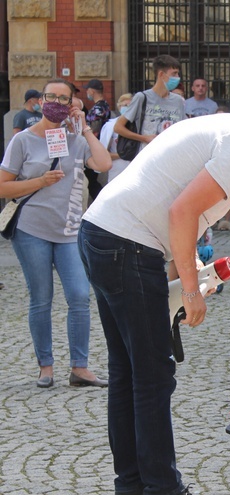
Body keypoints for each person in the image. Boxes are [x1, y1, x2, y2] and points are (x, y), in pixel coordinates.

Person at [78, 98, 230, 495]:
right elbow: (182, 211)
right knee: (153, 376)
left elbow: (174, 200)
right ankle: (162, 490)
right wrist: (190, 291)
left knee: (129, 372)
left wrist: (191, 263)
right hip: (128, 245)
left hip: (104, 234)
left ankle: (132, 485)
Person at [0, 78, 112, 389]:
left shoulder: (76, 140)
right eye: (52, 97)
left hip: (69, 229)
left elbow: (102, 163)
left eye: (65, 99)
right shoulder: (22, 140)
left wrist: (85, 129)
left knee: (79, 295)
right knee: (42, 298)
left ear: (72, 105)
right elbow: (2, 185)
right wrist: (39, 182)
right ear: (40, 100)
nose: (57, 103)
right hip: (31, 229)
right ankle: (45, 367)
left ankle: (80, 367)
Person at [114, 55, 186, 155]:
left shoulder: (178, 100)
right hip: (146, 156)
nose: (177, 78)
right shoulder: (142, 97)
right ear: (161, 74)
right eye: (174, 74)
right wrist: (144, 138)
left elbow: (183, 127)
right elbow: (118, 127)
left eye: (178, 73)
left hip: (171, 156)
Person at [83, 79, 112, 200]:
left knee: (91, 181)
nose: (86, 93)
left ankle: (101, 201)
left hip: (94, 147)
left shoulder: (98, 109)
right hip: (99, 146)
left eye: (87, 90)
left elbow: (95, 130)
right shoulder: (104, 105)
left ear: (92, 91)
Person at [99, 93, 133, 182]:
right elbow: (103, 153)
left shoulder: (139, 126)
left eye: (130, 105)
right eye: (125, 105)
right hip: (117, 170)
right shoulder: (110, 126)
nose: (127, 107)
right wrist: (122, 155)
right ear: (119, 107)